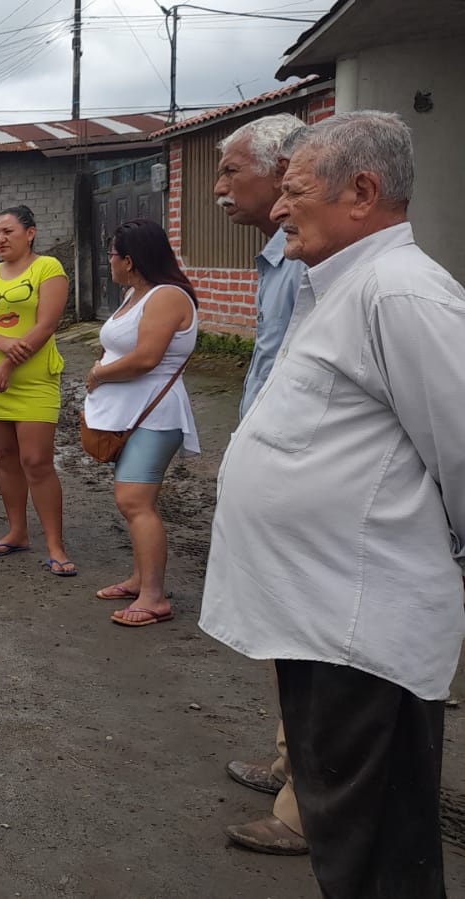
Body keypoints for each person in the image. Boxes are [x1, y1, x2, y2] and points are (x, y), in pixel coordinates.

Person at [201, 111, 465, 899]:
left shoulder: (401, 293)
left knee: (376, 851)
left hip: (362, 624)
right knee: (345, 836)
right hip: (320, 616)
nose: (279, 208)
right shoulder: (340, 285)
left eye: (294, 189)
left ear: (361, 192)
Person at [210, 113, 311, 857]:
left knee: (308, 639)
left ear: (281, 175)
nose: (218, 187)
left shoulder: (314, 263)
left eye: (229, 171)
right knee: (285, 634)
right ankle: (289, 758)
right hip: (274, 464)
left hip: (303, 476)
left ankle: (305, 805)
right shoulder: (277, 258)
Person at [82, 219, 199, 626]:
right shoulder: (136, 294)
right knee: (131, 501)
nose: (109, 261)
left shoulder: (166, 297)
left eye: (112, 254)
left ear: (129, 260)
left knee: (135, 501)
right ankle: (139, 579)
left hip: (155, 414)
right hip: (130, 413)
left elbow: (147, 358)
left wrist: (98, 374)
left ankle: (154, 598)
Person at [0, 205, 74, 575]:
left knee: (37, 461)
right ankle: (17, 532)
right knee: (5, 456)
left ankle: (55, 545)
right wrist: (1, 342)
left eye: (8, 231)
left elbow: (45, 326)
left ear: (30, 233)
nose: (0, 239)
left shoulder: (48, 268)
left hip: (33, 379)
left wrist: (8, 362)